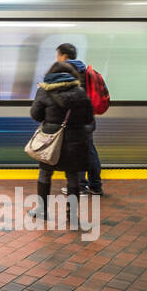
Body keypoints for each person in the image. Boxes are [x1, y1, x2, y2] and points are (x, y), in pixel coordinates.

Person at [28, 61, 93, 222]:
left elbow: (35, 115)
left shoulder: (44, 91)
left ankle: (42, 210)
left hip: (51, 141)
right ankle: (72, 216)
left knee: (45, 173)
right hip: (76, 141)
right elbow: (88, 118)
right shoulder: (80, 92)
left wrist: (51, 118)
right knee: (72, 177)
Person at [55, 43, 104, 196]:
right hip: (88, 118)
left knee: (76, 153)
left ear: (64, 56)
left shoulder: (64, 72)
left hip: (74, 120)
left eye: (58, 55)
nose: (57, 59)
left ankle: (80, 187)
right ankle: (96, 186)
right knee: (89, 150)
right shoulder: (85, 70)